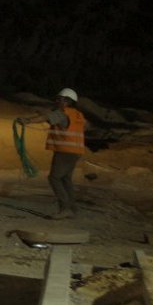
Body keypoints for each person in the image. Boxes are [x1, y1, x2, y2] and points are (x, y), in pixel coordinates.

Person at [32, 88, 89, 218]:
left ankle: (64, 208)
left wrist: (26, 121)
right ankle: (72, 208)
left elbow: (47, 117)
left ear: (67, 101)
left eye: (59, 99)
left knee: (54, 178)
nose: (57, 101)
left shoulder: (63, 113)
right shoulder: (77, 115)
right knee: (65, 179)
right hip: (75, 151)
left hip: (64, 151)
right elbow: (84, 126)